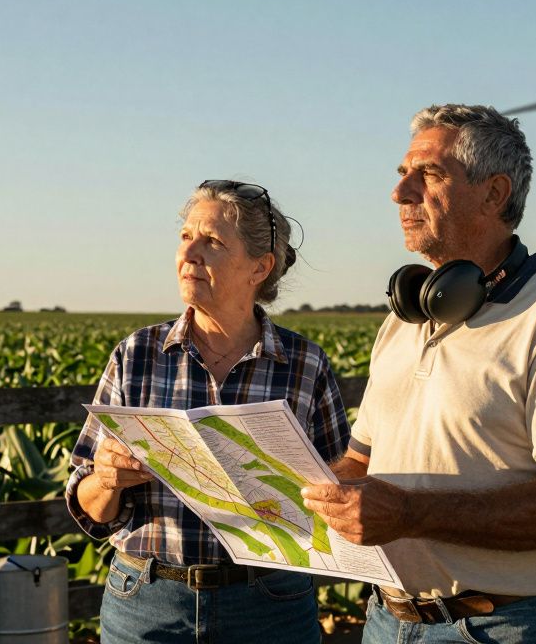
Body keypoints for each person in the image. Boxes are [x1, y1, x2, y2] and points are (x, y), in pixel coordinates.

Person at [301, 105, 536, 643]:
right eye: (401, 174)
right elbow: (361, 461)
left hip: (506, 627)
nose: (399, 193)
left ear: (494, 194)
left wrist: (408, 513)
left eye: (426, 175)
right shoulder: (404, 319)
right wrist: (285, 488)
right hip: (388, 622)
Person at [65, 180, 350, 644]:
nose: (190, 253)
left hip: (270, 605)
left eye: (212, 241)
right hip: (147, 603)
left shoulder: (304, 365)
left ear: (260, 267)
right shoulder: (137, 354)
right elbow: (87, 505)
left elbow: (344, 495)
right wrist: (105, 478)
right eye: (185, 237)